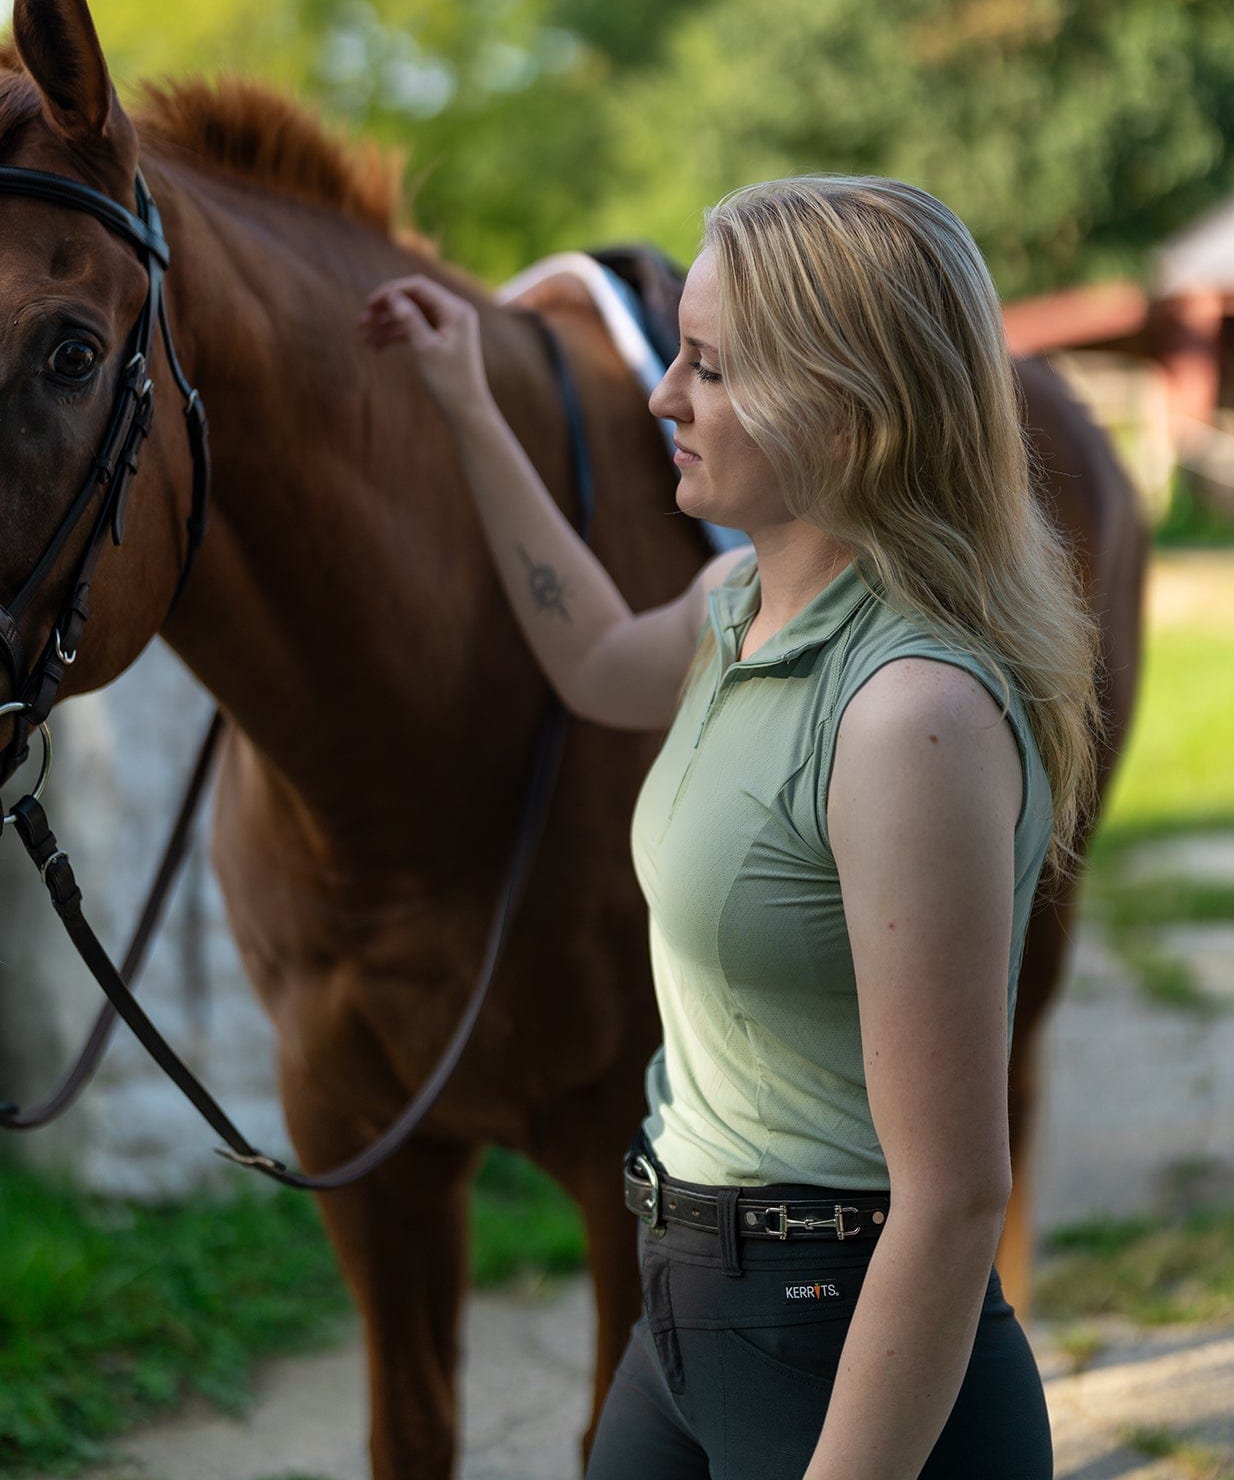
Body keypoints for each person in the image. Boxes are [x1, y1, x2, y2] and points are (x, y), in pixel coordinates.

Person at [358, 174, 1098, 1480]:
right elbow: (589, 660)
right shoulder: (736, 601)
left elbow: (954, 1195)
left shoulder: (905, 715)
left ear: (847, 411)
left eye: (707, 368)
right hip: (690, 1308)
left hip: (842, 1341)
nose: (662, 399)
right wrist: (470, 404)